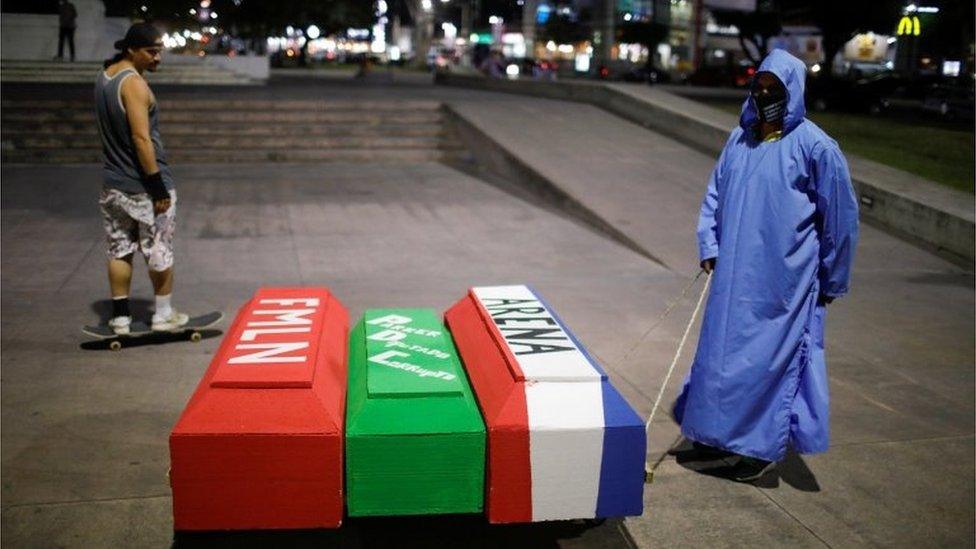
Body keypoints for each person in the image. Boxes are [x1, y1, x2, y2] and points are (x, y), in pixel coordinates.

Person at [673, 49, 859, 482]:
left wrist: (833, 277)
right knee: (718, 359)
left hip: (783, 283)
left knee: (765, 363)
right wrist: (709, 243)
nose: (764, 96)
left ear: (792, 92)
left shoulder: (816, 147)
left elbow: (841, 220)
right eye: (759, 88)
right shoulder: (741, 139)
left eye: (774, 90)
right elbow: (715, 193)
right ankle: (713, 437)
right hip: (733, 275)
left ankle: (756, 451)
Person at [95, 23, 187, 335]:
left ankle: (120, 318)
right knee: (159, 248)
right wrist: (157, 184)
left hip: (113, 186)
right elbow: (141, 139)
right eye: (151, 52)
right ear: (131, 50)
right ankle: (163, 315)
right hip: (144, 186)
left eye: (159, 51)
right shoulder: (133, 84)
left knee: (118, 249)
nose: (158, 58)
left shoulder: (105, 77)